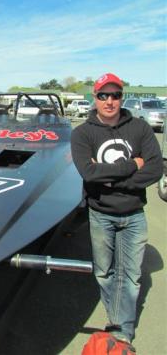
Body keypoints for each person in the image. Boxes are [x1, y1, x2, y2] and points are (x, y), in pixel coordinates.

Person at [70, 73, 163, 345]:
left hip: (134, 214)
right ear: (95, 98)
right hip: (101, 215)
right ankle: (116, 318)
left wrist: (109, 179)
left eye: (115, 95)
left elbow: (156, 169)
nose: (109, 101)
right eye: (103, 95)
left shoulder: (140, 128)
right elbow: (88, 172)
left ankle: (123, 331)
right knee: (105, 273)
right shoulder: (82, 133)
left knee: (131, 277)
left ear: (122, 97)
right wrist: (133, 164)